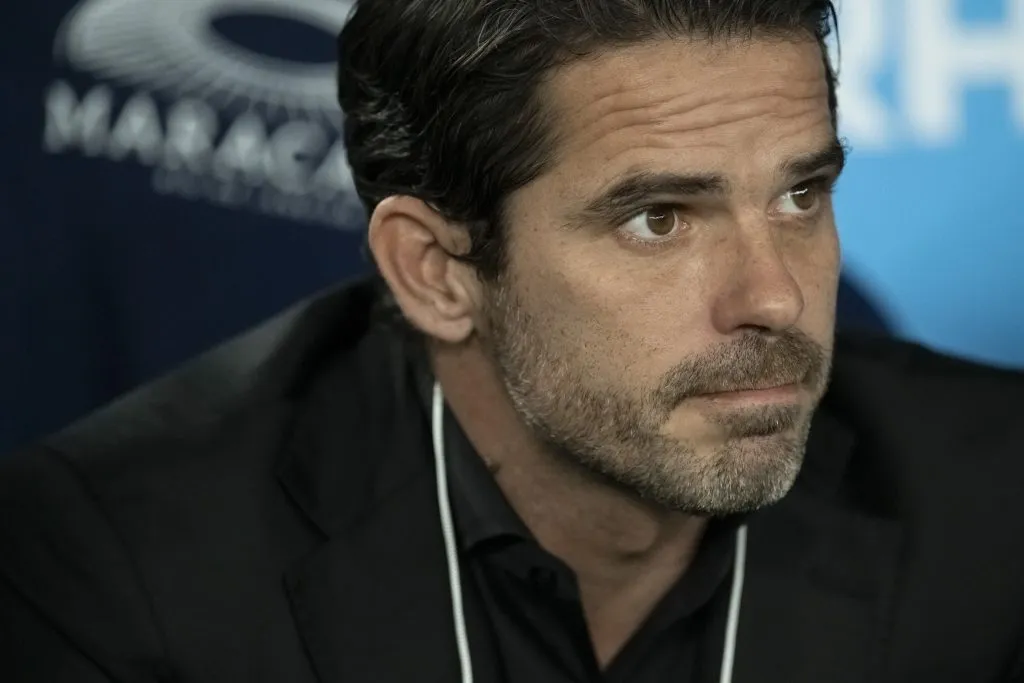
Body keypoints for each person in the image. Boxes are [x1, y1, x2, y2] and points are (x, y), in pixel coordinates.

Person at [2, 0, 1024, 681]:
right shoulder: (119, 569)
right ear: (436, 272)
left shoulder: (997, 509)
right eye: (658, 217)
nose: (777, 299)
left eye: (801, 194)